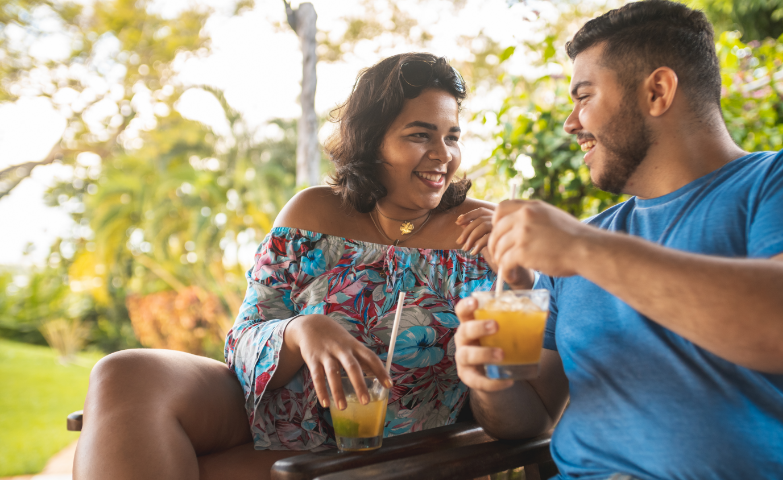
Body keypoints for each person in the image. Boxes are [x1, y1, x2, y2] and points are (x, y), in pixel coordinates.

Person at [74, 52, 520, 480]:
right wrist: (299, 330)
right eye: (420, 135)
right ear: (372, 140)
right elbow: (244, 340)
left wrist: (518, 275)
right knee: (122, 373)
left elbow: (517, 374)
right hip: (275, 420)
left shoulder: (480, 234)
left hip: (393, 445)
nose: (443, 154)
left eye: (452, 136)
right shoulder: (311, 213)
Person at [454, 2, 783, 479]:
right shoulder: (590, 239)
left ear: (658, 91)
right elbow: (531, 416)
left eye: (584, 96)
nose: (571, 123)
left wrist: (580, 248)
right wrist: (489, 377)